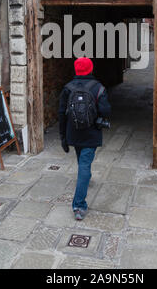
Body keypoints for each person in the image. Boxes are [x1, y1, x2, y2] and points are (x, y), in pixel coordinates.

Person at [59, 57, 111, 221]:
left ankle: (85, 179)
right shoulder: (98, 88)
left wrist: (63, 138)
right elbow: (106, 111)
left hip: (73, 134)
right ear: (90, 69)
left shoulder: (67, 88)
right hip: (91, 133)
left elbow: (61, 114)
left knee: (82, 161)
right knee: (84, 164)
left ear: (76, 70)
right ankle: (79, 205)